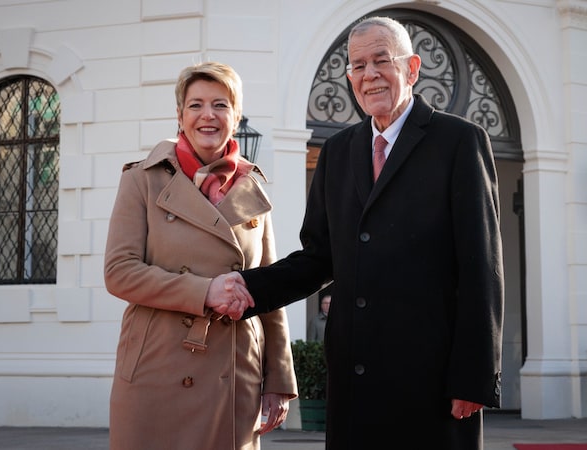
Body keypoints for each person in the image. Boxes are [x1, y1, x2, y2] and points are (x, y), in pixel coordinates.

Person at [209, 16, 504, 449]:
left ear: (413, 68)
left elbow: (482, 266)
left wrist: (474, 376)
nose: (369, 75)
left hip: (432, 382)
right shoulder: (338, 150)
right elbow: (318, 258)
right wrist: (249, 289)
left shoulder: (459, 141)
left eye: (381, 60)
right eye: (357, 65)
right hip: (355, 375)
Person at [103, 61, 297, 450]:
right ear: (180, 115)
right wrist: (204, 291)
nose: (208, 115)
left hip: (235, 367)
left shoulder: (252, 186)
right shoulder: (142, 178)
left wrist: (278, 379)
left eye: (221, 105)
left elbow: (270, 289)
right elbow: (119, 272)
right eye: (196, 105)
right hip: (157, 366)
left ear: (236, 116)